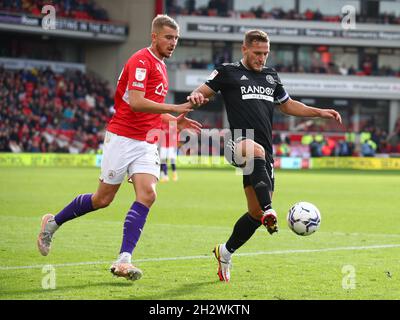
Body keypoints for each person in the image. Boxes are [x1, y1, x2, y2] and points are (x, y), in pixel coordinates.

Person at [37, 14, 202, 281]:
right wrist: (175, 107)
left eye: (176, 38)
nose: (173, 43)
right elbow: (136, 103)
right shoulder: (141, 60)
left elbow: (150, 113)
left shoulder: (160, 66)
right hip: (122, 137)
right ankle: (52, 223)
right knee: (102, 199)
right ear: (154, 36)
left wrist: (174, 122)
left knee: (148, 194)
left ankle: (124, 260)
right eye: (168, 37)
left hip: (146, 141)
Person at [187, 29, 342, 282]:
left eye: (266, 54)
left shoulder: (271, 76)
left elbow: (288, 104)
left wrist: (319, 112)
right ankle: (271, 210)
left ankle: (225, 252)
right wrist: (193, 99)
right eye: (257, 53)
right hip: (238, 142)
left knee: (255, 214)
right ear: (244, 49)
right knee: (256, 157)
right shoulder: (227, 72)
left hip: (264, 152)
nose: (262, 58)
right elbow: (201, 93)